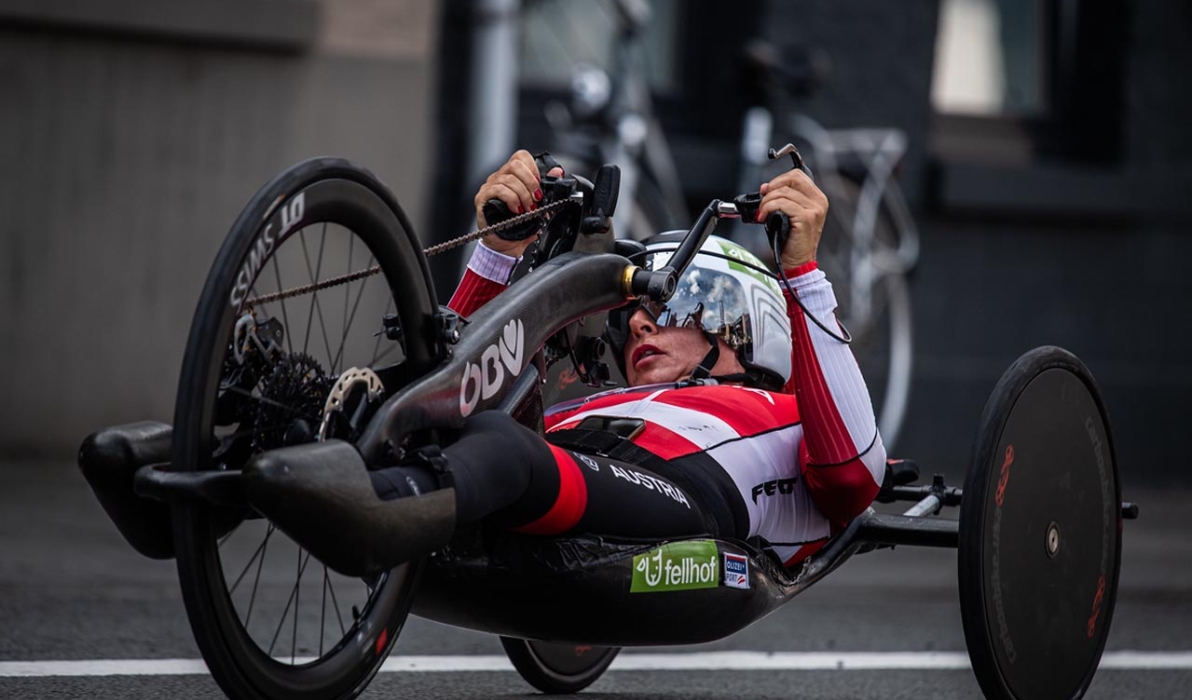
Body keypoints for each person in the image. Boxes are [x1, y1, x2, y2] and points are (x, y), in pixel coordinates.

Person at [244, 150, 887, 575]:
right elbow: (448, 391)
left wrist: (801, 273)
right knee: (456, 421)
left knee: (502, 443)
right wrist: (498, 252)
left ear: (752, 324)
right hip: (553, 471)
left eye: (679, 301)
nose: (638, 319)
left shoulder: (791, 416)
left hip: (687, 497)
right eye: (633, 313)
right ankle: (233, 445)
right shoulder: (594, 403)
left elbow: (856, 476)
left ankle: (376, 508)